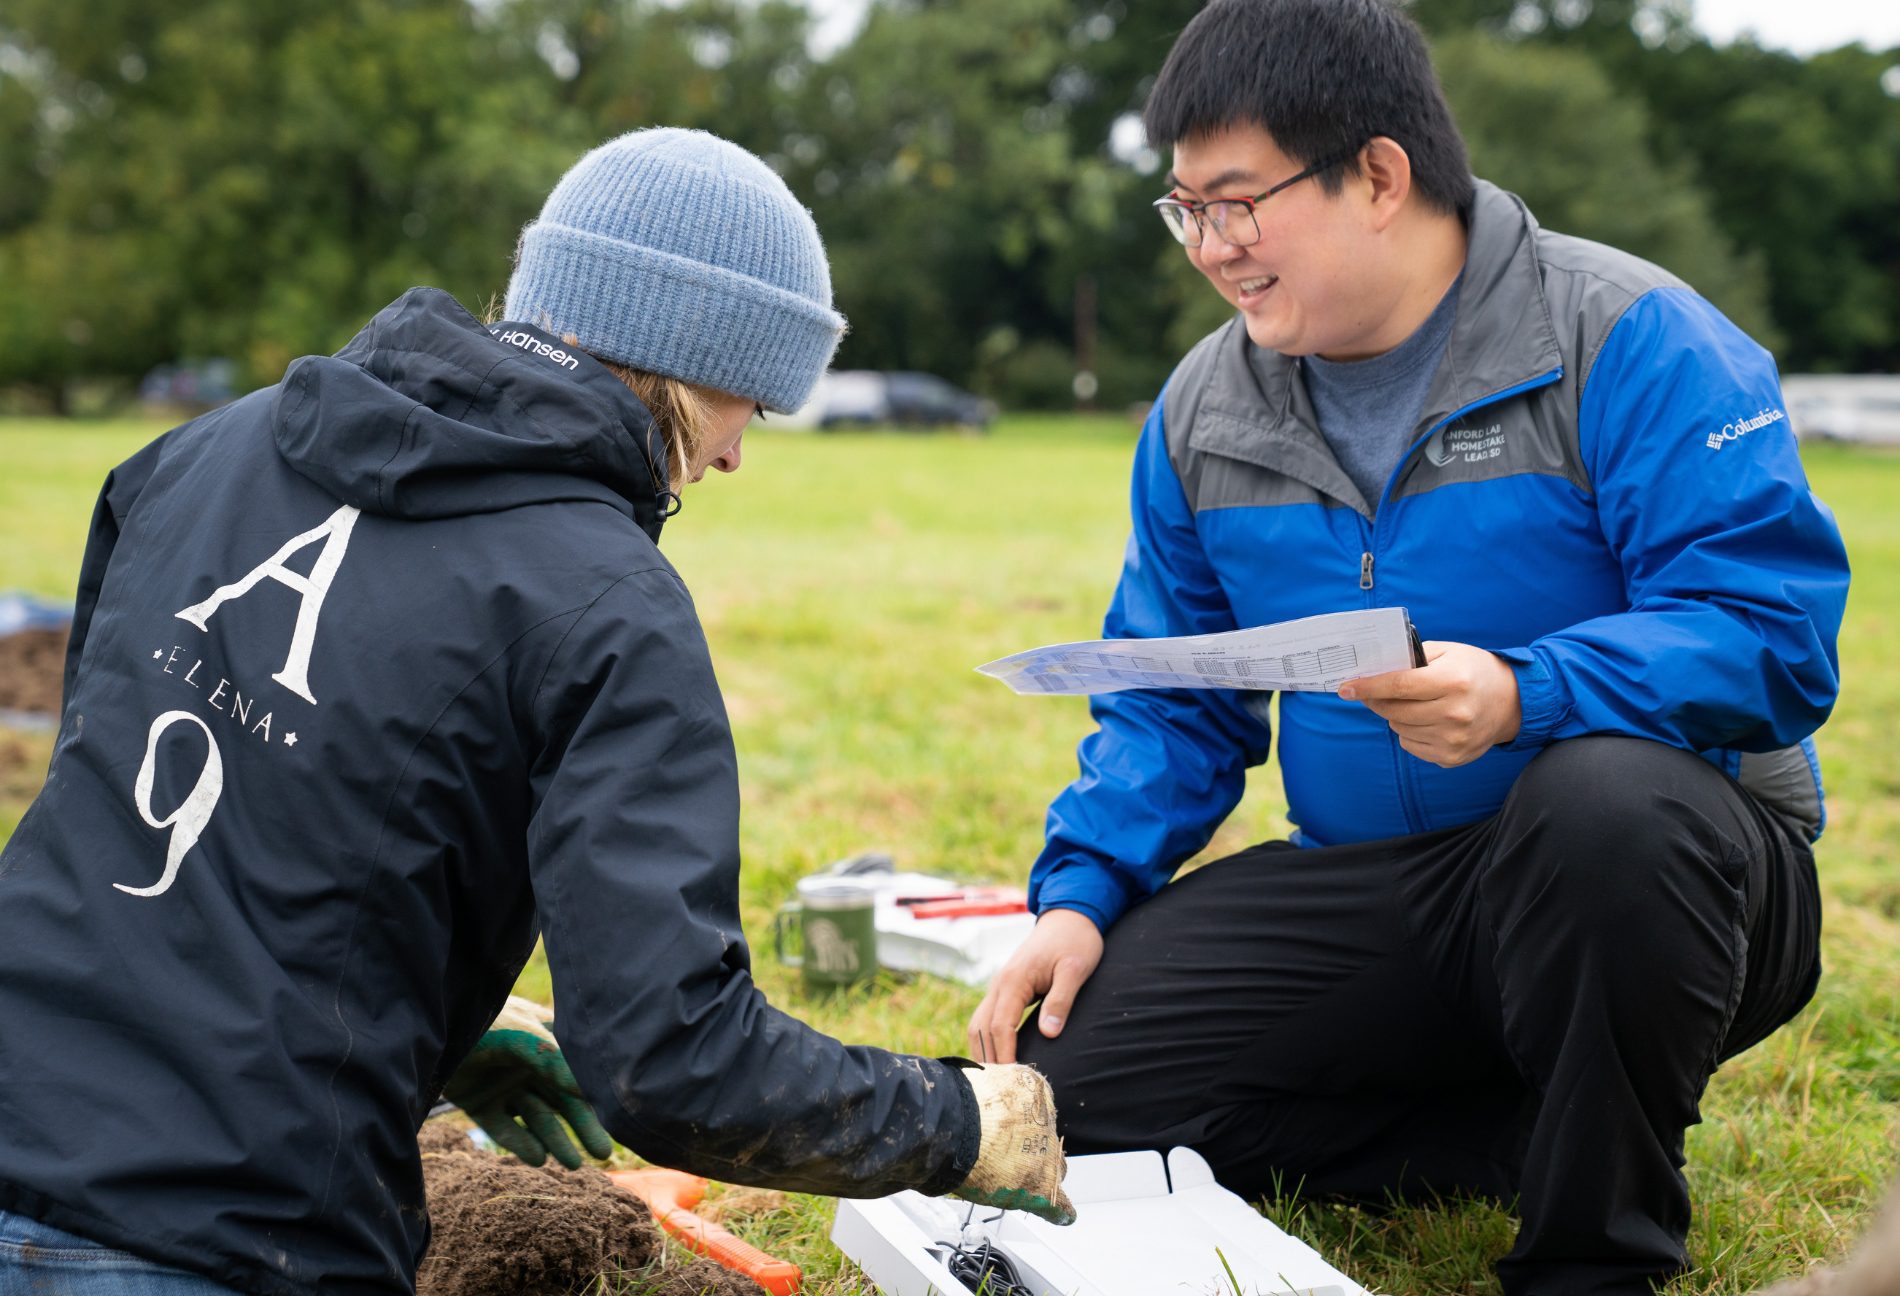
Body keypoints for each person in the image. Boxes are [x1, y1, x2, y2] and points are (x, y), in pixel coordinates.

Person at [0, 127, 1070, 1296]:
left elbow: (131, 814)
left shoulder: (202, 449)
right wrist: (953, 1122)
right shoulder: (609, 604)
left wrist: (438, 1015)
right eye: (749, 405)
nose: (732, 458)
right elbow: (675, 1064)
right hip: (228, 1243)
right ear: (681, 358)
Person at [966, 3, 1849, 1293]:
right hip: (1383, 888)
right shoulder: (1204, 408)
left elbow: (1772, 638)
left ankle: (1591, 1253)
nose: (1209, 249)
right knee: (1065, 1092)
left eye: (1235, 204)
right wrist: (1081, 892)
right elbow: (1174, 698)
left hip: (1666, 874)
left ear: (1377, 175)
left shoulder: (1629, 336)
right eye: (1184, 210)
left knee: (1601, 803)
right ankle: (1504, 1132)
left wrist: (1528, 695)